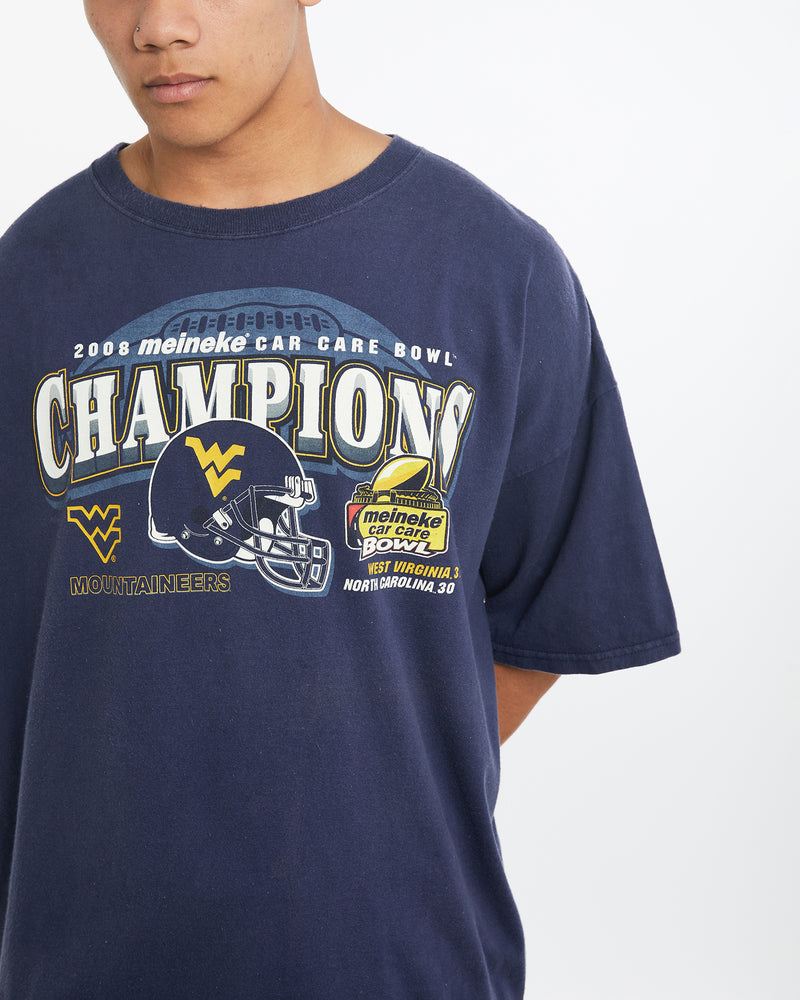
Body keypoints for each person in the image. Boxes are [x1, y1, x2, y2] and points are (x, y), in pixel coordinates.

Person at [0, 1, 679, 996]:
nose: (158, 25)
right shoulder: (28, 277)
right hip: (87, 962)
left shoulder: (492, 266)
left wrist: (355, 775)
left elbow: (549, 612)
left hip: (399, 960)